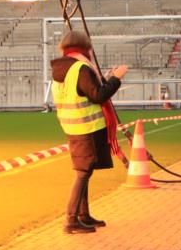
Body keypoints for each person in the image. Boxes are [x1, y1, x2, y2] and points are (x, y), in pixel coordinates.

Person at [50, 30, 127, 234]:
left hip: (73, 126)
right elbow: (98, 95)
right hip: (87, 128)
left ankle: (83, 216)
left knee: (85, 171)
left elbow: (86, 92)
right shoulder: (81, 68)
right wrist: (116, 79)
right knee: (82, 173)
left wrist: (105, 78)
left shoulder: (63, 68)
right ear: (85, 47)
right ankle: (71, 220)